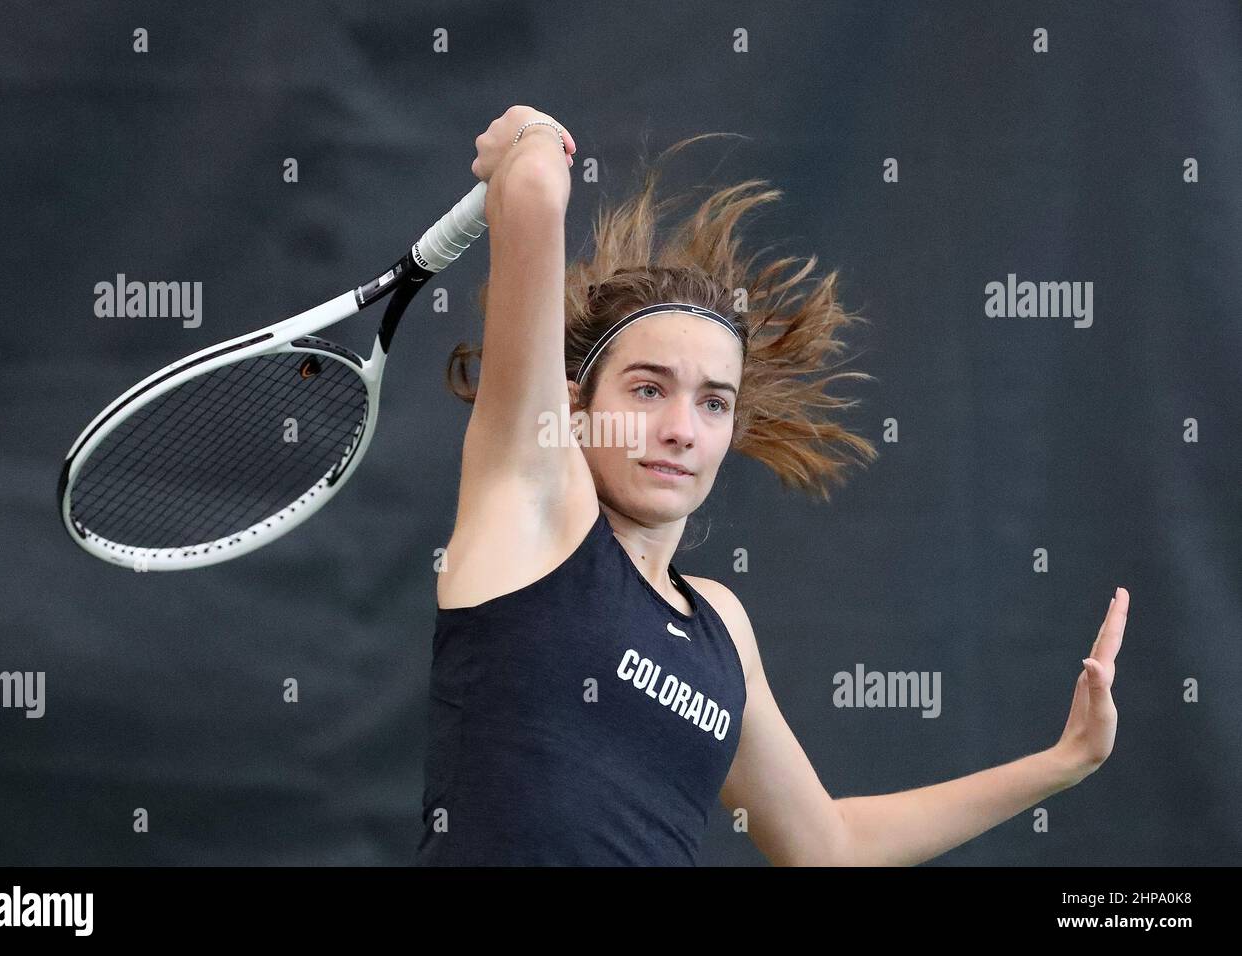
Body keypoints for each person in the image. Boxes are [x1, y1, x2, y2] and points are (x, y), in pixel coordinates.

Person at [415, 105, 1127, 866]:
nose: (683, 429)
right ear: (574, 406)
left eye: (713, 402)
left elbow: (831, 847)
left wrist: (1065, 762)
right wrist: (528, 134)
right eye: (648, 390)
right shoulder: (529, 513)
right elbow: (532, 195)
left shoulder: (721, 627)